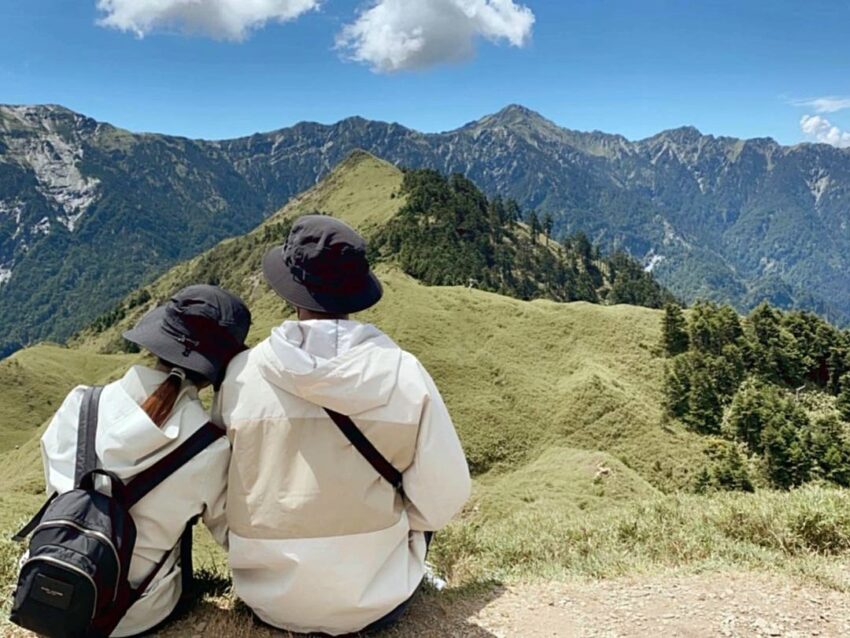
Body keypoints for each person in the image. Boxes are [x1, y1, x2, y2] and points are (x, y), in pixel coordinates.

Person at [215, 215, 472, 636]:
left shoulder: (242, 374)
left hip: (265, 595)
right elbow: (444, 495)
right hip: (375, 598)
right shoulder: (404, 374)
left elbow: (217, 492)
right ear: (355, 292)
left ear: (290, 291)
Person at [39, 284, 251, 637]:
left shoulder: (81, 403)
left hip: (55, 584)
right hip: (134, 614)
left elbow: (56, 490)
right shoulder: (209, 449)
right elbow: (230, 533)